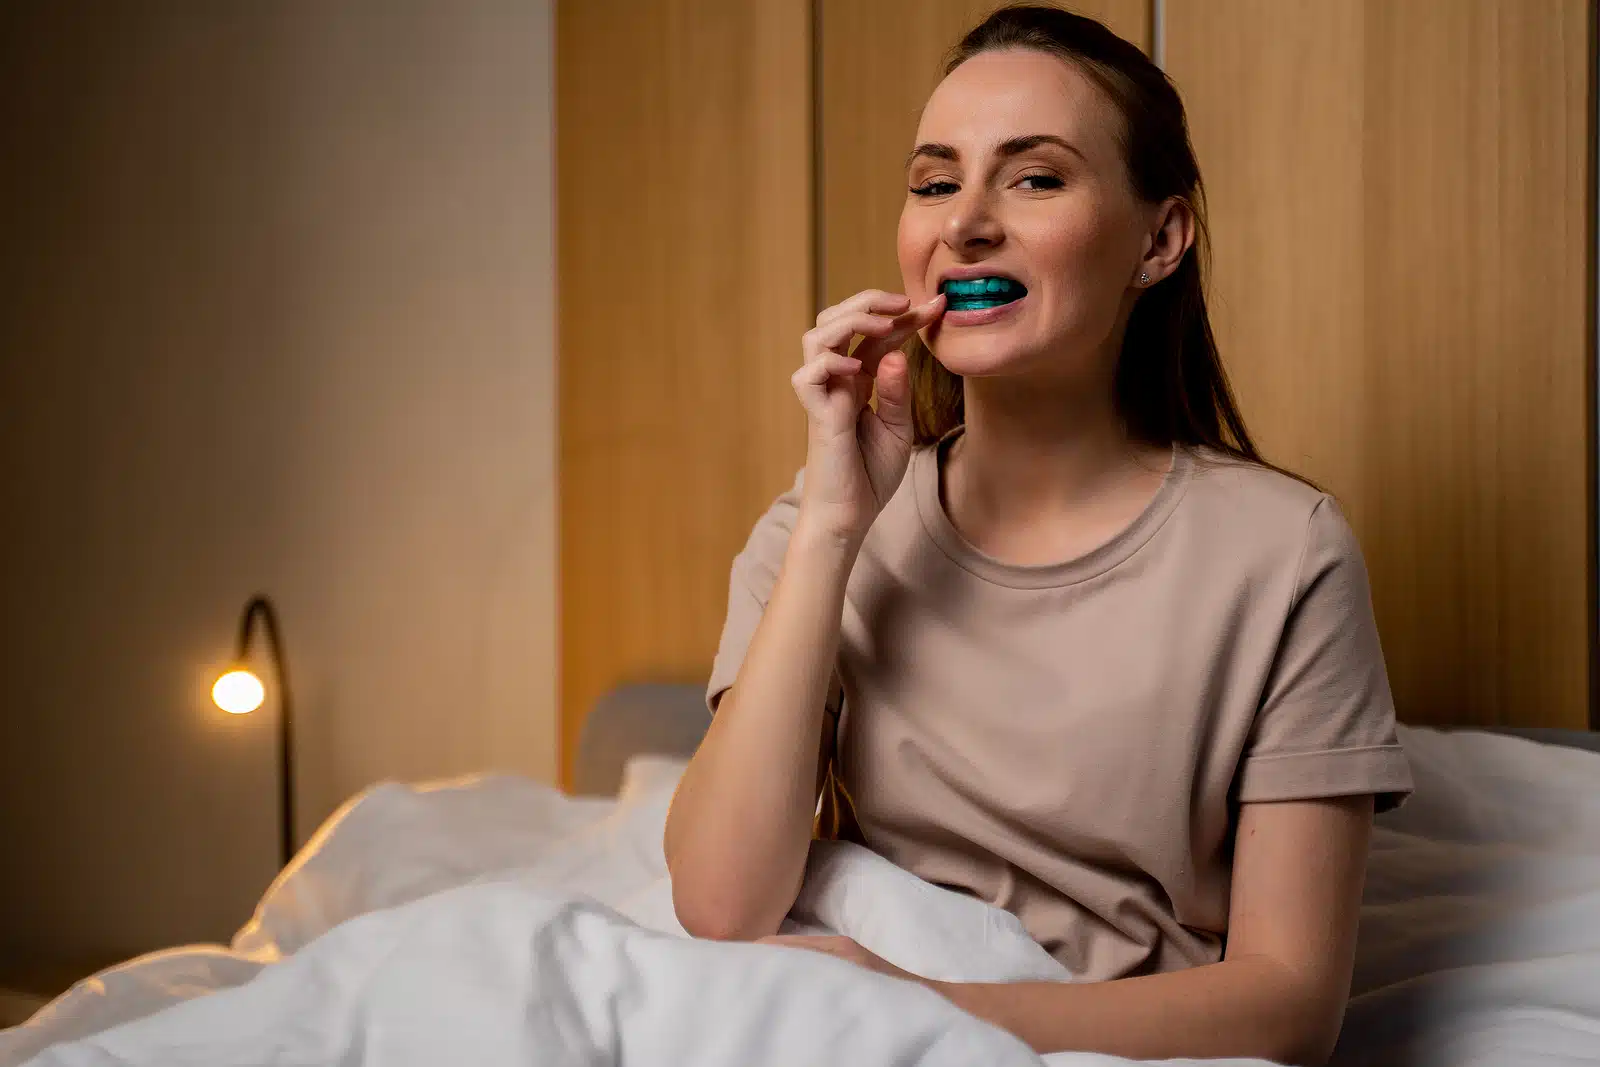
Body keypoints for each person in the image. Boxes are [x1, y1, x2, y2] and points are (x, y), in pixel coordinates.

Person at [663, 5, 1411, 1063]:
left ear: (1158, 240)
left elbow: (1289, 1004)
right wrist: (833, 523)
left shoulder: (1284, 553)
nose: (963, 222)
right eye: (933, 182)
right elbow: (720, 899)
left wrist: (924, 1004)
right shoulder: (821, 524)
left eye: (1033, 178)